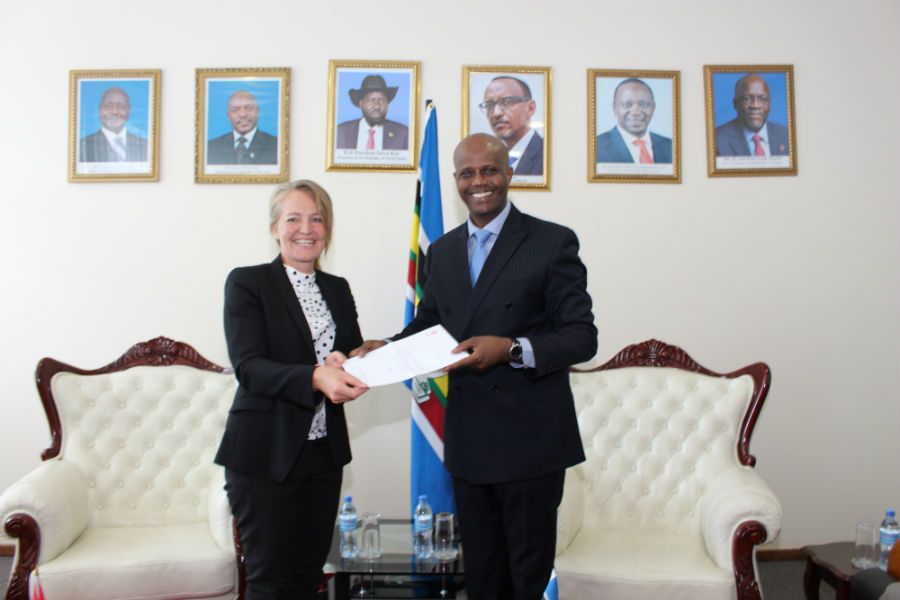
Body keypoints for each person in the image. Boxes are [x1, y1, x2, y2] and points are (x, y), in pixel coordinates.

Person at [352, 133, 597, 600]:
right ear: (456, 180)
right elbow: (429, 328)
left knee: (526, 576)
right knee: (482, 576)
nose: (479, 181)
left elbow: (582, 337)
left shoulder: (551, 242)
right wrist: (384, 349)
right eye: (467, 173)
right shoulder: (441, 252)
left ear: (509, 174)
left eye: (489, 170)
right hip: (468, 441)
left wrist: (509, 348)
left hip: (531, 444)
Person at [215, 180, 369, 600]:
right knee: (269, 583)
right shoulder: (247, 284)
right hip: (264, 454)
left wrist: (347, 359)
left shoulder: (337, 288)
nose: (307, 228)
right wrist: (316, 376)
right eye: (294, 218)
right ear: (275, 228)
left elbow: (348, 348)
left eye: (317, 218)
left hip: (323, 454)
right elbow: (250, 368)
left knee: (307, 578)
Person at [595, 78, 672, 164]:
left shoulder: (670, 147)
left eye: (644, 104)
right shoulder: (596, 147)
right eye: (627, 105)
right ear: (614, 109)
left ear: (653, 108)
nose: (635, 112)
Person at [480, 76, 543, 175]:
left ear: (530, 108)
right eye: (489, 105)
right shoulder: (486, 158)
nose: (496, 113)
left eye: (507, 102)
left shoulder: (546, 155)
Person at [715, 73, 790, 157]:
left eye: (763, 99)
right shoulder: (717, 140)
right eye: (747, 99)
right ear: (735, 104)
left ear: (770, 103)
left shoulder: (787, 136)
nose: (755, 105)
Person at [336, 75, 409, 150]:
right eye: (371, 100)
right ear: (361, 103)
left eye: (381, 100)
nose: (377, 106)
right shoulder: (341, 132)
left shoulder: (403, 134)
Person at [78, 86, 148, 162]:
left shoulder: (145, 146)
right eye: (108, 106)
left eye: (120, 106)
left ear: (129, 109)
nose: (114, 111)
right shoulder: (82, 147)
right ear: (100, 109)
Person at [207, 90, 278, 164]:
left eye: (249, 108)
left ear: (257, 111)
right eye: (235, 110)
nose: (243, 114)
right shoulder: (211, 147)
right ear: (228, 116)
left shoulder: (276, 146)